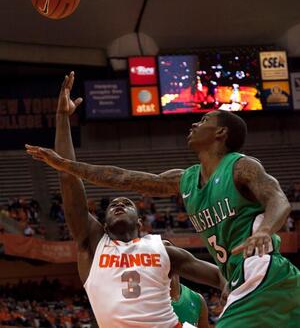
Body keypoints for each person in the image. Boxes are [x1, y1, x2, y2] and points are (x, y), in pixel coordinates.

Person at [26, 72, 300, 327]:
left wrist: (264, 231)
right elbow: (121, 178)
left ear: (221, 133)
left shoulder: (240, 167)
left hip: (259, 272)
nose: (195, 122)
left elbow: (278, 199)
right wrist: (64, 162)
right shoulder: (182, 182)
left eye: (204, 120)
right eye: (112, 206)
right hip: (248, 277)